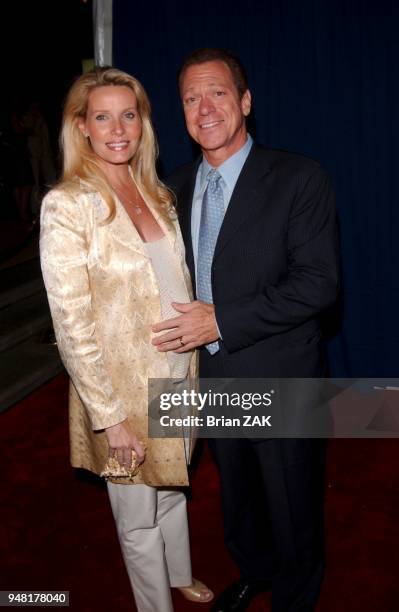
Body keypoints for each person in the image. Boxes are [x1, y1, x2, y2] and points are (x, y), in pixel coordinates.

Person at [152, 48, 340, 611]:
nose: (204, 108)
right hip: (211, 376)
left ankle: (294, 596)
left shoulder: (300, 178)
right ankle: (255, 572)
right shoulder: (172, 188)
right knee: (238, 500)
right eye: (190, 98)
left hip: (281, 376)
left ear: (246, 102)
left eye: (217, 93)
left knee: (292, 505)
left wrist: (222, 319)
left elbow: (318, 284)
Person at [40, 66, 213, 611]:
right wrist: (109, 417)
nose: (118, 129)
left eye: (129, 115)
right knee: (137, 517)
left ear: (143, 122)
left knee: (173, 486)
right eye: (102, 116)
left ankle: (180, 574)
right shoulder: (68, 205)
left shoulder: (156, 192)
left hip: (178, 375)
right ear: (81, 126)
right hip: (121, 392)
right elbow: (72, 325)